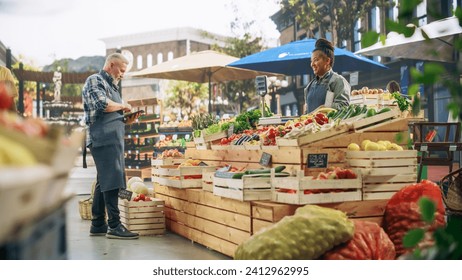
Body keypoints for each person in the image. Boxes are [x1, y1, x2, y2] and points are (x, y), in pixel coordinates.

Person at [82, 53, 141, 239]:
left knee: (103, 181)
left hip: (113, 139)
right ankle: (114, 225)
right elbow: (101, 104)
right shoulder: (95, 80)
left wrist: (127, 119)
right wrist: (123, 106)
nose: (123, 74)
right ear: (112, 64)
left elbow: (113, 115)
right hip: (102, 138)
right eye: (122, 70)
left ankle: (98, 223)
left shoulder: (113, 86)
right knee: (113, 180)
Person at [304, 38, 350, 114]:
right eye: (311, 61)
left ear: (327, 61)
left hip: (330, 125)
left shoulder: (338, 81)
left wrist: (324, 109)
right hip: (311, 126)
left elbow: (344, 106)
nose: (312, 64)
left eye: (315, 60)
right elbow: (307, 112)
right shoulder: (309, 87)